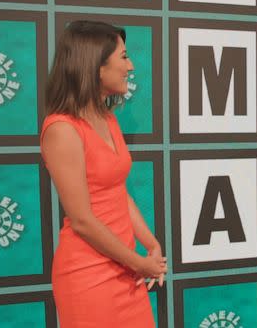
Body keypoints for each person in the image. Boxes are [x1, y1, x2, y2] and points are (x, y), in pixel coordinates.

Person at [40, 20, 166, 327]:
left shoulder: (107, 117)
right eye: (123, 57)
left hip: (126, 270)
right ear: (96, 66)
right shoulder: (62, 129)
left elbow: (116, 192)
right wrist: (140, 264)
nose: (131, 66)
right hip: (88, 278)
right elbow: (82, 221)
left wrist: (151, 244)